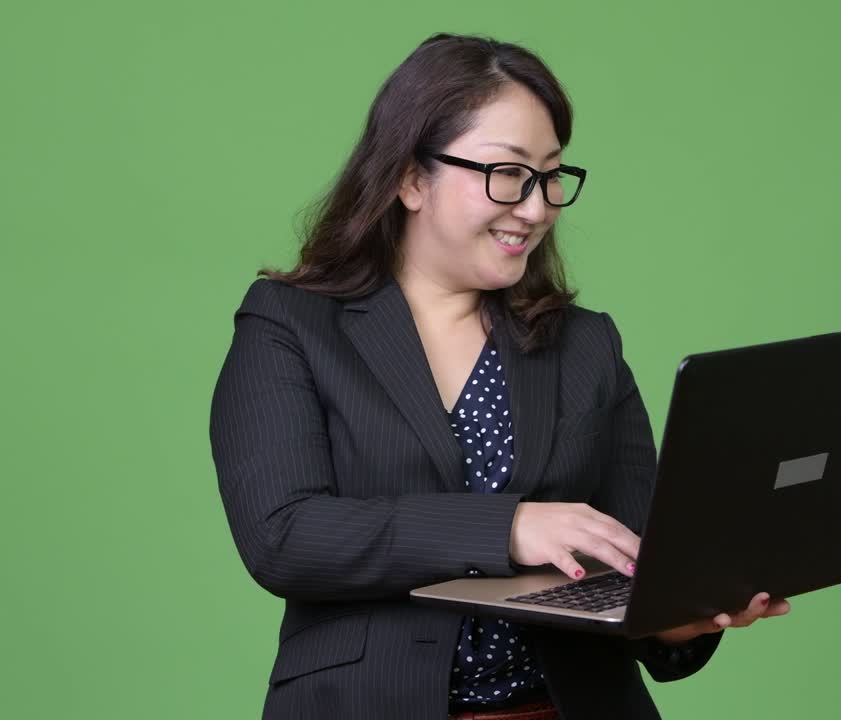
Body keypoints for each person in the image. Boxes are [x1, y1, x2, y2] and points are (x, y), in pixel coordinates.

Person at [209, 32, 791, 720]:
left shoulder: (586, 345)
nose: (538, 207)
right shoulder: (291, 325)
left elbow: (634, 555)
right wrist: (506, 526)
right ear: (410, 178)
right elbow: (284, 536)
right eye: (508, 174)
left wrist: (676, 617)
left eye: (550, 176)